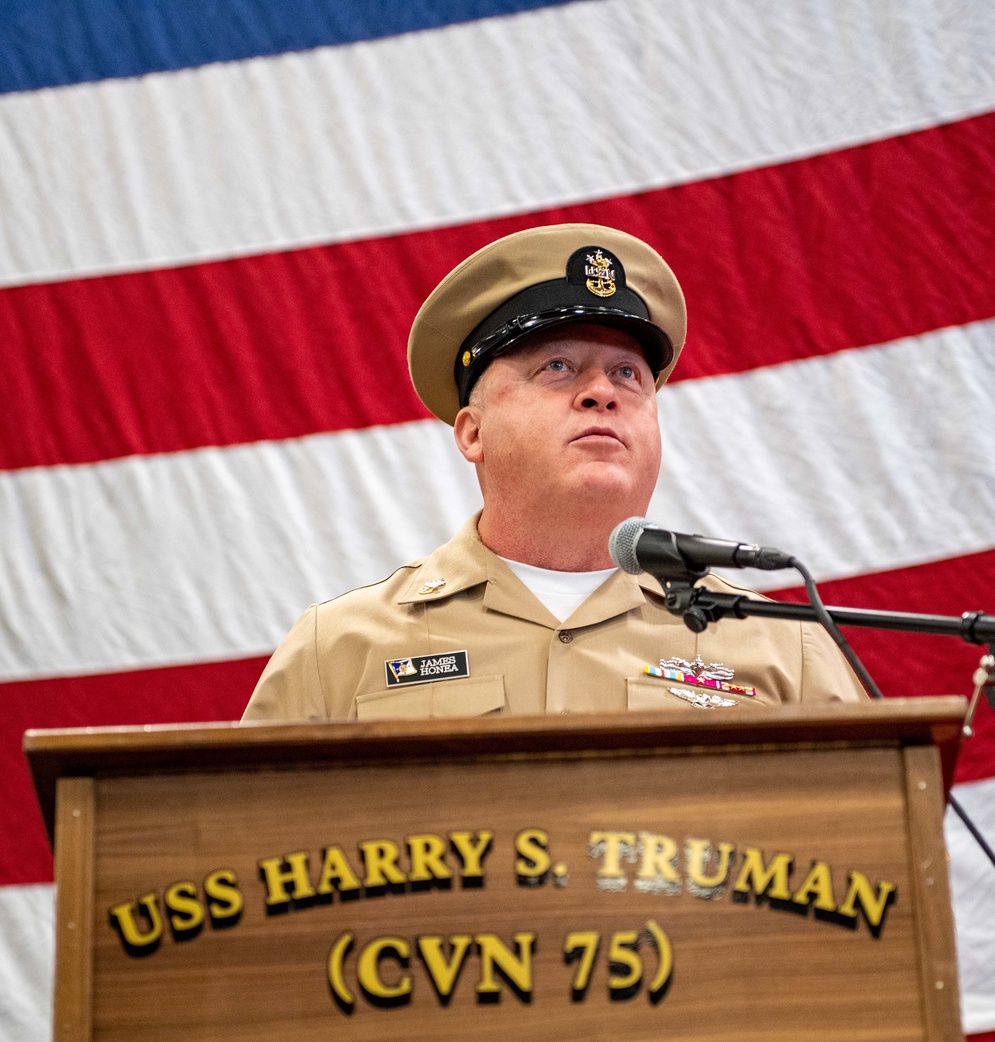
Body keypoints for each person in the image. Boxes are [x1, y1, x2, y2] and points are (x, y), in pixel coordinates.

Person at [243, 223, 865, 722]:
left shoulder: (786, 649)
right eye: (559, 367)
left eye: (627, 374)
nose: (602, 393)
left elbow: (876, 861)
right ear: (474, 432)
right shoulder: (339, 651)